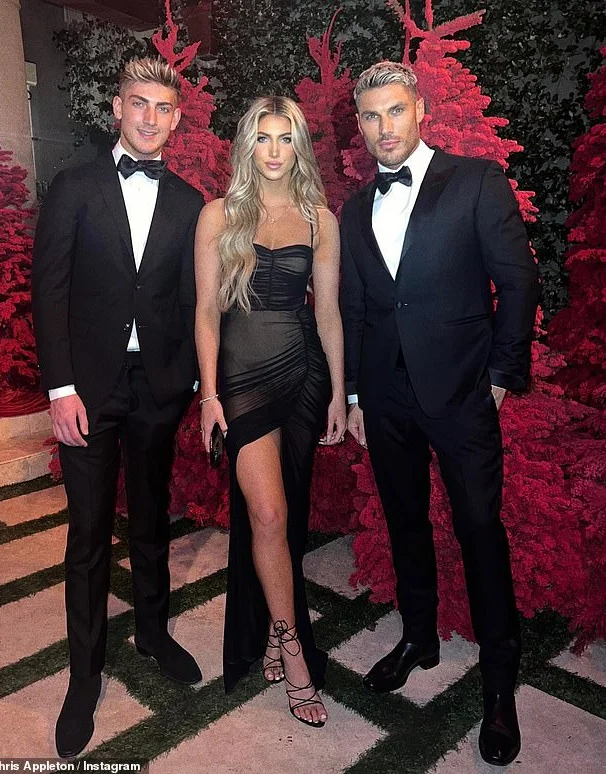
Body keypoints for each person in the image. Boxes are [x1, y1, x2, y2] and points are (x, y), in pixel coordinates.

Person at [340, 62, 539, 765]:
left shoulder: (476, 182)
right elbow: (357, 307)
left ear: (420, 109)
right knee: (405, 523)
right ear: (359, 124)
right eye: (371, 116)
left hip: (461, 394)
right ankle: (418, 638)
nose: (384, 127)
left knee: (480, 530)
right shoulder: (354, 209)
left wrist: (502, 376)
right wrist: (356, 395)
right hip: (386, 398)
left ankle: (499, 683)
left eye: (395, 110)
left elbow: (517, 280)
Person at [32, 57, 204, 759]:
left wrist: (190, 382)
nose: (150, 118)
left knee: (154, 520)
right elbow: (49, 291)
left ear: (177, 118)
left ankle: (154, 634)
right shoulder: (74, 186)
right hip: (88, 389)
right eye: (139, 103)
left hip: (158, 387)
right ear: (117, 107)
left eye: (163, 107)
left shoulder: (191, 202)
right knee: (88, 534)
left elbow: (194, 301)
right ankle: (85, 676)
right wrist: (60, 389)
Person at [195, 96, 345, 727]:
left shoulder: (320, 218)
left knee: (288, 518)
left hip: (303, 374)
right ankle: (291, 645)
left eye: (286, 138)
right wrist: (209, 395)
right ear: (247, 146)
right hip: (242, 381)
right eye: (264, 138)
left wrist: (338, 393)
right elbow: (206, 311)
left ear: (299, 146)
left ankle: (272, 625)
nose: (275, 150)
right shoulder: (219, 214)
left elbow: (328, 313)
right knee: (268, 512)